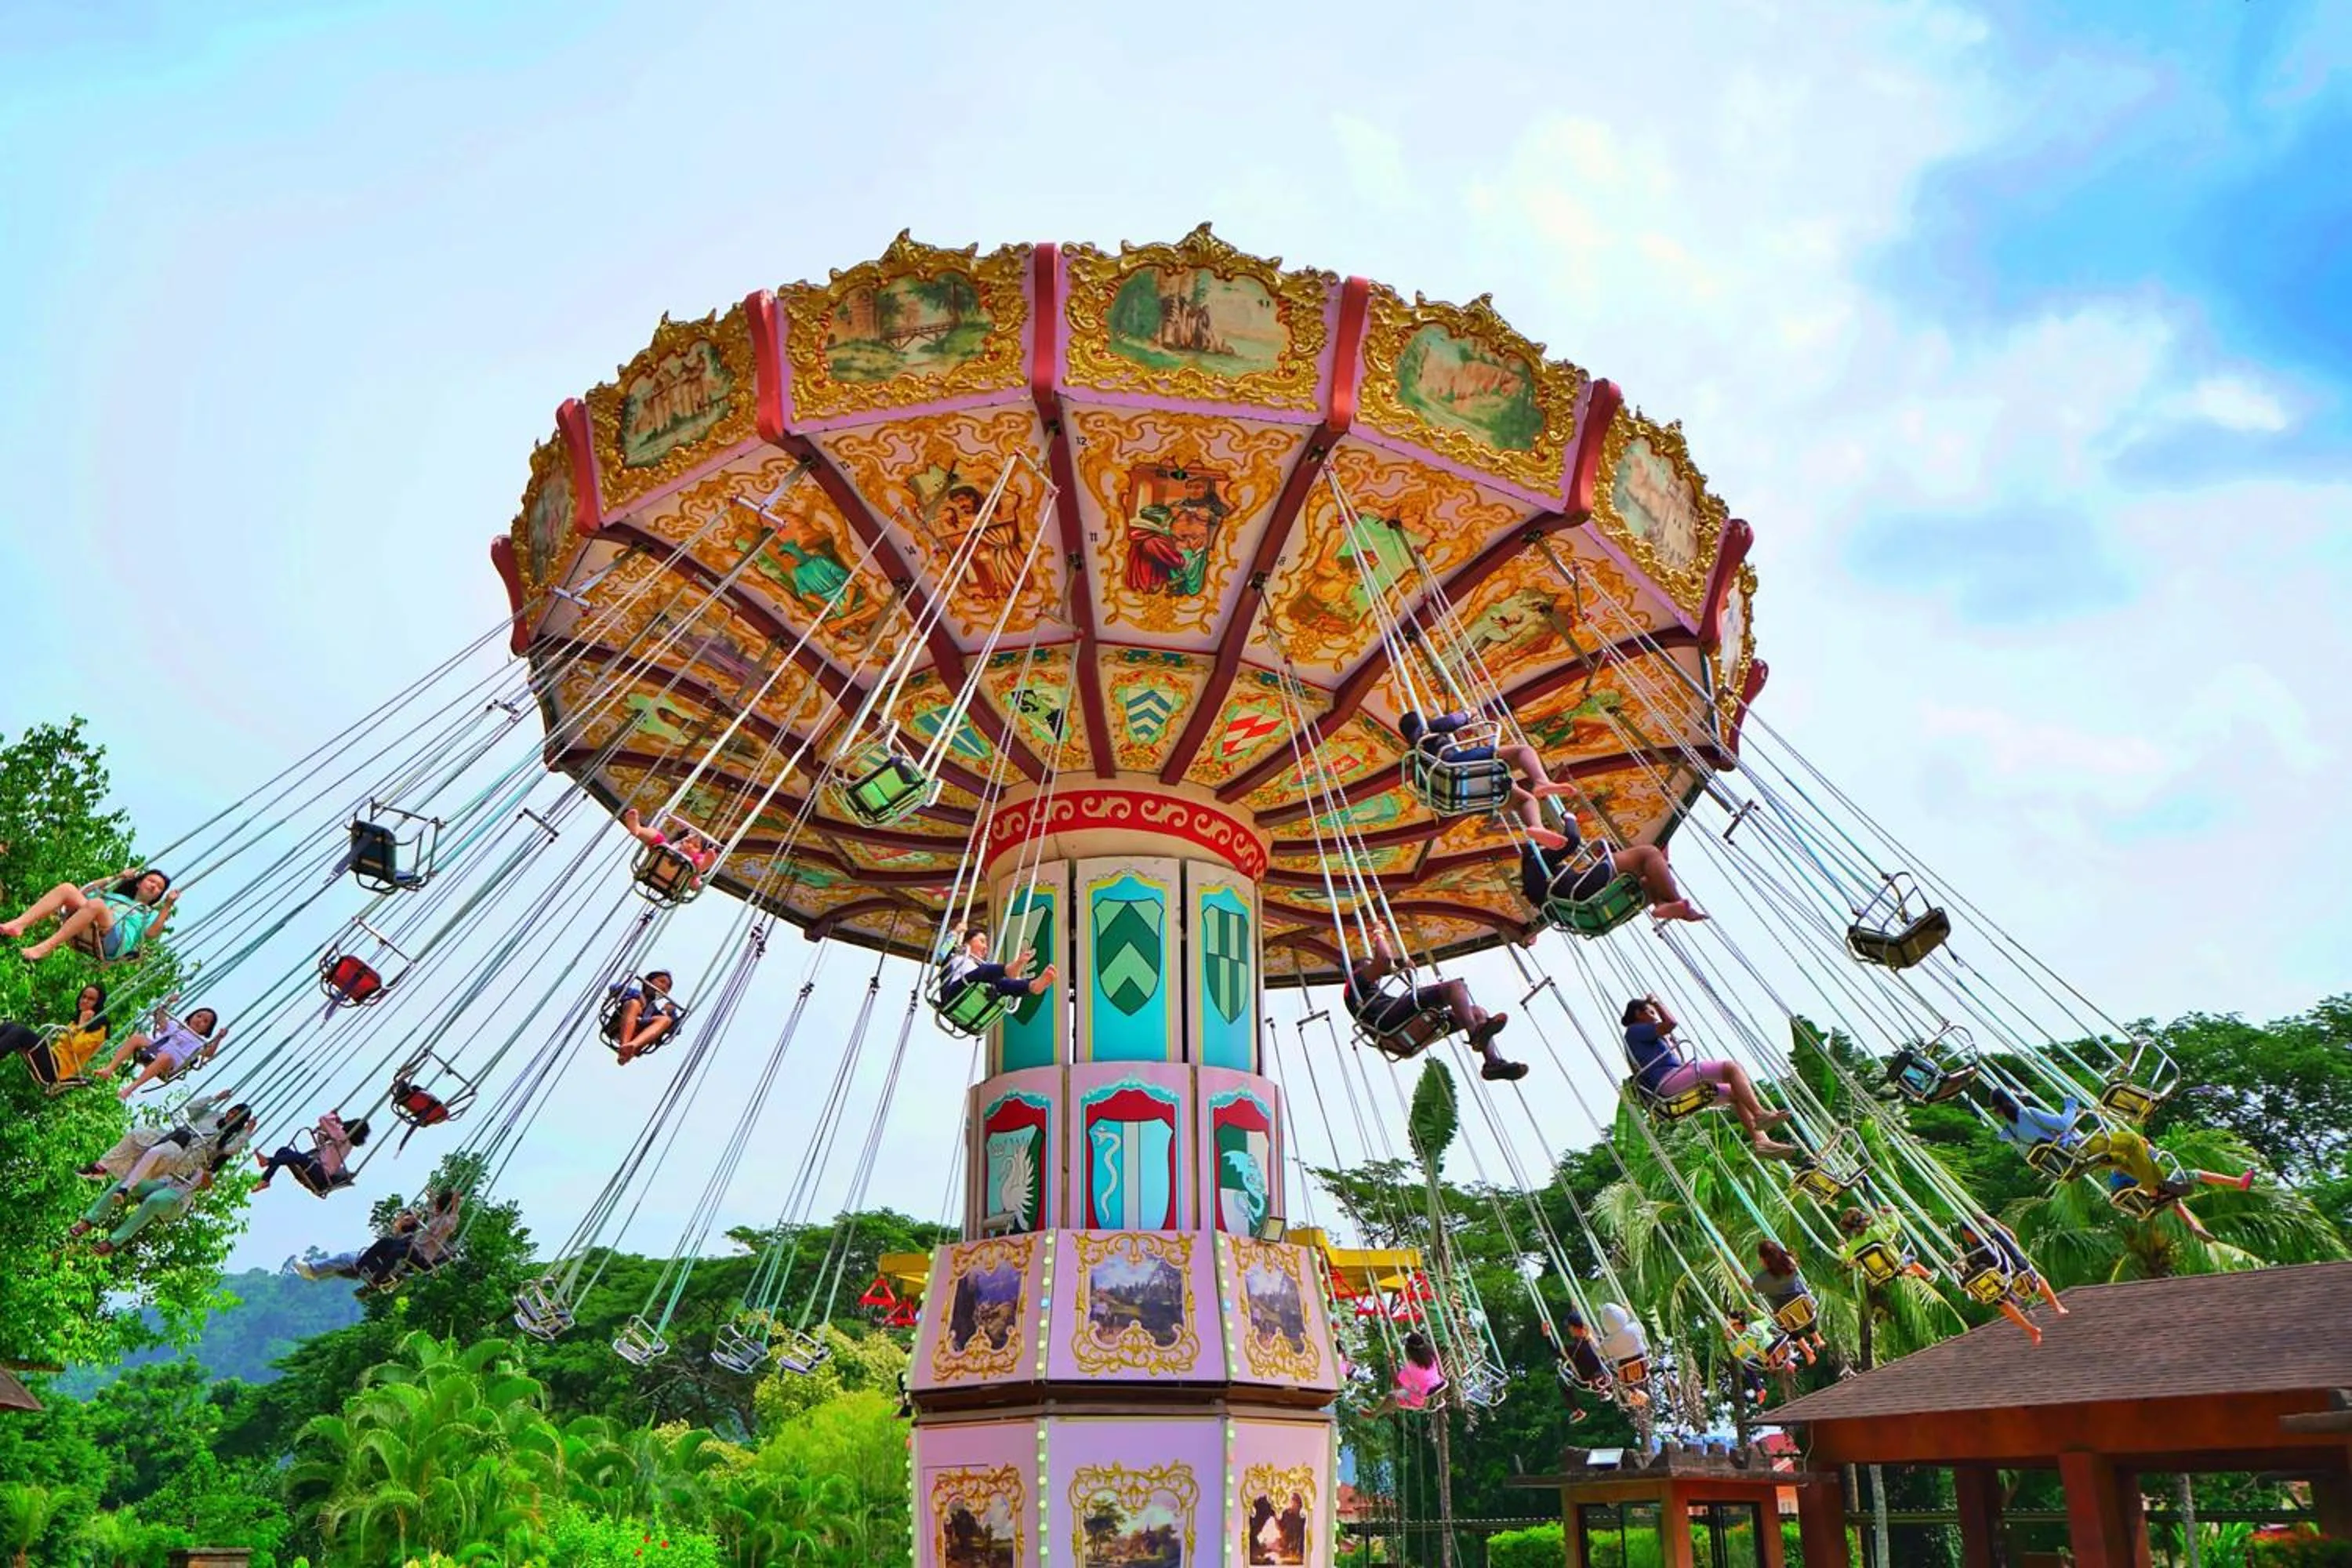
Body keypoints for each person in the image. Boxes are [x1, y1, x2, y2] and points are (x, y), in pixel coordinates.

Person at [1985, 1087, 2253, 1200]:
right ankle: (2153, 1188)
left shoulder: (2011, 1131)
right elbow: (2063, 1124)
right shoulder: (2028, 1113)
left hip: (2067, 1163)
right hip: (2079, 1148)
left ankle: (2155, 1188)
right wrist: (2070, 1105)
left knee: (2124, 1162)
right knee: (2131, 1142)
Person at [1341, 920, 1524, 1080]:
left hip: (1396, 1027)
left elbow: (1402, 995)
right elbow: (1384, 960)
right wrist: (1378, 932)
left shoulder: (1370, 997)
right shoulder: (1356, 984)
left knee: (1478, 1013)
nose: (1378, 977)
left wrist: (1411, 974)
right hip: (1388, 1024)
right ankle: (1475, 1034)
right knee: (1455, 987)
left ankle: (1492, 1062)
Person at [1621, 997, 1795, 1156]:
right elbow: (1671, 1023)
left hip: (1671, 1083)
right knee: (1731, 1068)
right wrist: (1657, 1003)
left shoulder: (1644, 1035)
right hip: (1669, 1081)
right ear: (1639, 1014)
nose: (1655, 1017)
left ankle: (1762, 1142)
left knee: (1736, 1094)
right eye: (1651, 1012)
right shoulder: (1635, 1031)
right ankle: (1760, 1114)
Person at [1398, 707, 1575, 826]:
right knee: (1522, 752)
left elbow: (1423, 792)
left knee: (1525, 800)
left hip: (1462, 798)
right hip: (1457, 768)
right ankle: (1540, 781)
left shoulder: (1415, 763)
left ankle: (1537, 828)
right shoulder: (1424, 732)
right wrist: (1468, 713)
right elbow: (1449, 723)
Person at [3, 867, 179, 964]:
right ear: (140, 882)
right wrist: (116, 877)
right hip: (95, 919)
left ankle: (44, 948)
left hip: (114, 941)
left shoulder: (150, 913)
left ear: (159, 895)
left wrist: (167, 905)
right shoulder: (114, 896)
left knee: (97, 905)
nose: (154, 886)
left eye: (159, 887)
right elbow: (84, 891)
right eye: (151, 881)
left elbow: (151, 934)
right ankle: (19, 924)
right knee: (68, 888)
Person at [1957, 1218, 2067, 1345]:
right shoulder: (1992, 1239)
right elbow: (2012, 1238)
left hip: (2010, 1273)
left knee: (2007, 1297)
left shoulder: (1985, 1246)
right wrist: (1993, 1223)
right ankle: (2048, 1314)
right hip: (2010, 1274)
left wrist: (1991, 1223)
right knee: (2027, 1282)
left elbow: (2011, 1239)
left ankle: (2039, 1322)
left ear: (1968, 1232)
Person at [101, 997, 227, 1099]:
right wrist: (168, 1002)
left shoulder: (199, 1043)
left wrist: (218, 1039)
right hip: (154, 1049)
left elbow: (209, 1053)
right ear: (192, 1016)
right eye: (199, 1016)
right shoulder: (175, 1026)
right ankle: (109, 1069)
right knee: (136, 1038)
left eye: (205, 1021)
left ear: (207, 1029)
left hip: (169, 1063)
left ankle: (129, 1090)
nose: (200, 1021)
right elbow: (159, 1016)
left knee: (164, 1057)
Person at [0, 981, 110, 1089]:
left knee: (21, 1033)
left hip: (57, 1068)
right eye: (84, 997)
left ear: (98, 1004)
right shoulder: (75, 1021)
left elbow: (76, 1046)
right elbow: (63, 1038)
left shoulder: (99, 1029)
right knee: (9, 1026)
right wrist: (79, 1024)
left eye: (91, 999)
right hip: (52, 1057)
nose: (85, 1001)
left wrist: (82, 1025)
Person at [934, 923, 1056, 1008]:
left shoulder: (977, 966)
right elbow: (941, 955)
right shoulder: (955, 958)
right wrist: (956, 931)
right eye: (981, 941)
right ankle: (1010, 969)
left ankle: (1032, 986)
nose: (985, 947)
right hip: (953, 993)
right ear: (967, 942)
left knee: (1001, 983)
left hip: (972, 995)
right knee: (984, 971)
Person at [254, 1111, 369, 1193]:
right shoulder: (343, 1142)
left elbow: (323, 1118)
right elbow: (321, 1144)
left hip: (320, 1173)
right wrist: (321, 1130)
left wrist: (333, 1115)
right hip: (317, 1171)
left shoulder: (343, 1137)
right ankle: (266, 1180)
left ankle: (268, 1161)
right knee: (283, 1150)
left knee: (298, 1157)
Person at [1748, 1240, 1824, 1363]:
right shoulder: (1788, 1263)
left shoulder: (1763, 1278)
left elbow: (1754, 1288)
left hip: (1785, 1316)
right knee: (1803, 1314)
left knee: (1787, 1326)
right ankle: (1817, 1338)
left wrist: (1744, 1283)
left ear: (1763, 1259)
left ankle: (1807, 1350)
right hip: (1803, 1304)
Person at [1835, 1206, 1936, 1283]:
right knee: (1908, 1259)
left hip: (1877, 1274)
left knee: (1900, 1263)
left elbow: (1846, 1259)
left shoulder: (1853, 1244)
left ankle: (1908, 1273)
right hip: (1895, 1263)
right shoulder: (1877, 1231)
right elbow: (1895, 1226)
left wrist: (1841, 1247)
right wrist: (1890, 1214)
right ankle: (1928, 1275)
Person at [605, 970, 684, 1063]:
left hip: (640, 1036)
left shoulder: (655, 1012)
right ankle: (625, 1046)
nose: (664, 987)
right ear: (648, 982)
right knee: (634, 1004)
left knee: (665, 1020)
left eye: (668, 987)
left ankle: (632, 1045)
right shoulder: (631, 995)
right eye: (661, 982)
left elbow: (676, 1030)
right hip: (618, 1026)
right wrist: (637, 995)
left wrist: (672, 1013)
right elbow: (613, 987)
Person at [621, 807, 717, 883]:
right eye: (688, 841)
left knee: (697, 862)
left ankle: (703, 866)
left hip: (682, 874)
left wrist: (696, 880)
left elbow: (695, 887)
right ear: (681, 842)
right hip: (659, 861)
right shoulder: (672, 848)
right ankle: (638, 829)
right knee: (658, 838)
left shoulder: (695, 859)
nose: (690, 846)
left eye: (695, 846)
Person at [1377, 1331, 1447, 1415]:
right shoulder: (1431, 1356)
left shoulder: (1410, 1368)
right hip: (1437, 1390)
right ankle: (1388, 1405)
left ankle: (1374, 1414)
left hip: (1423, 1400)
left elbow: (1397, 1385)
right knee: (1407, 1388)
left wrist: (1392, 1364)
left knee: (1391, 1396)